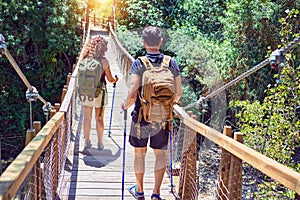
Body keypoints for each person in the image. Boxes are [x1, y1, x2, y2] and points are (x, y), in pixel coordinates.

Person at [121, 26, 182, 200]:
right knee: (160, 154)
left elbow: (133, 93)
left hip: (141, 116)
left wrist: (124, 106)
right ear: (161, 41)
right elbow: (178, 92)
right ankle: (156, 194)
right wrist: (168, 103)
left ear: (144, 43)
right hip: (163, 117)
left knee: (140, 153)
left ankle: (140, 192)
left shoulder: (139, 63)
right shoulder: (171, 63)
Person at [80, 35, 118, 150]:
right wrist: (115, 80)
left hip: (86, 92)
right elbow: (110, 79)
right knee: (99, 118)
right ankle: (100, 143)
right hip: (99, 93)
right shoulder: (104, 61)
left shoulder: (85, 58)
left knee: (87, 118)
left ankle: (87, 142)